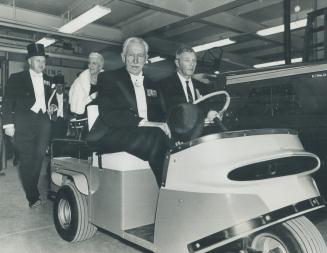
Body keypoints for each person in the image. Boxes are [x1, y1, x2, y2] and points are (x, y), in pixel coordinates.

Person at [89, 37, 171, 186]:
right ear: (123, 57)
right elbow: (110, 115)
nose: (135, 60)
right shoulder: (108, 78)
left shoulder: (153, 84)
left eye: (140, 56)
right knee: (157, 136)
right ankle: (166, 188)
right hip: (116, 133)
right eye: (131, 55)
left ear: (146, 59)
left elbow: (161, 114)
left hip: (149, 135)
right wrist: (146, 123)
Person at [2, 43, 61, 208]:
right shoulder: (16, 78)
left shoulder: (49, 80)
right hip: (23, 124)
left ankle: (32, 189)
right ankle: (32, 195)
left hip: (43, 123)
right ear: (29, 61)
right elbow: (7, 103)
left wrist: (54, 106)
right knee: (27, 160)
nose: (41, 64)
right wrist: (8, 125)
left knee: (39, 158)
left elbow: (53, 100)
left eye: (43, 61)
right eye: (37, 61)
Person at [159, 46, 221, 141]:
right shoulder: (164, 85)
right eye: (187, 60)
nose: (191, 64)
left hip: (200, 139)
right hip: (175, 140)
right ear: (177, 63)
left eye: (194, 61)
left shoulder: (202, 87)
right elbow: (163, 116)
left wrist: (212, 112)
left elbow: (207, 108)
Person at [69, 52, 104, 117]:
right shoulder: (79, 82)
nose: (91, 66)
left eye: (94, 63)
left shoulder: (106, 81)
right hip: (84, 117)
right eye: (89, 63)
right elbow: (76, 105)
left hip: (101, 117)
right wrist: (91, 97)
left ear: (100, 66)